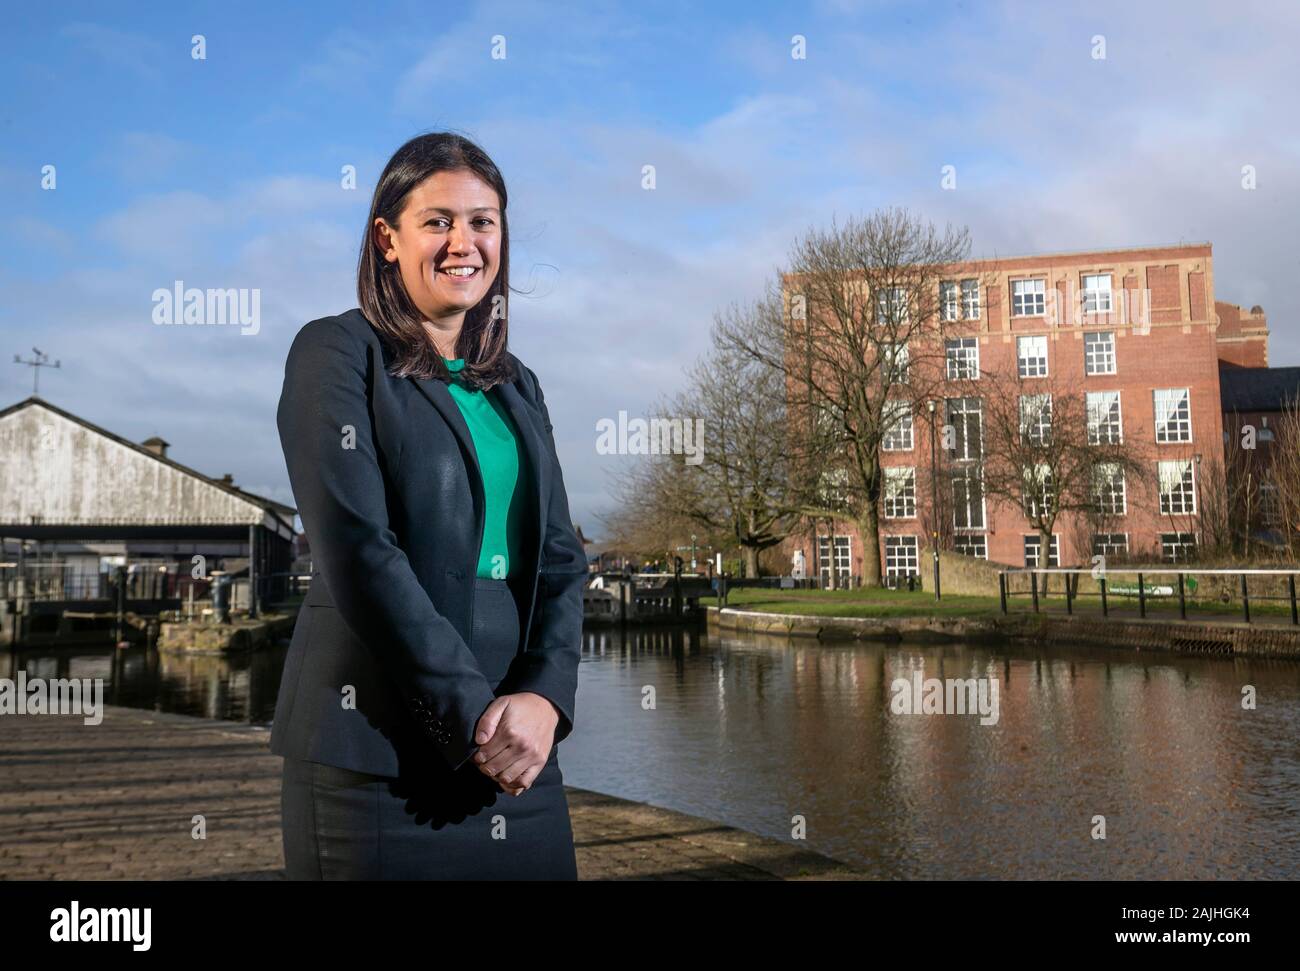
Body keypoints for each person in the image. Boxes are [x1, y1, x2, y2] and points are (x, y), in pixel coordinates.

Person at [272, 131, 586, 880]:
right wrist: (475, 713)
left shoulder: (518, 384)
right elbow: (357, 549)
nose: (463, 242)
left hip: (518, 756)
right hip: (376, 765)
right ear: (387, 237)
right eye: (437, 220)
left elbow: (562, 559)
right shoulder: (336, 353)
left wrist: (544, 698)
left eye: (483, 221)